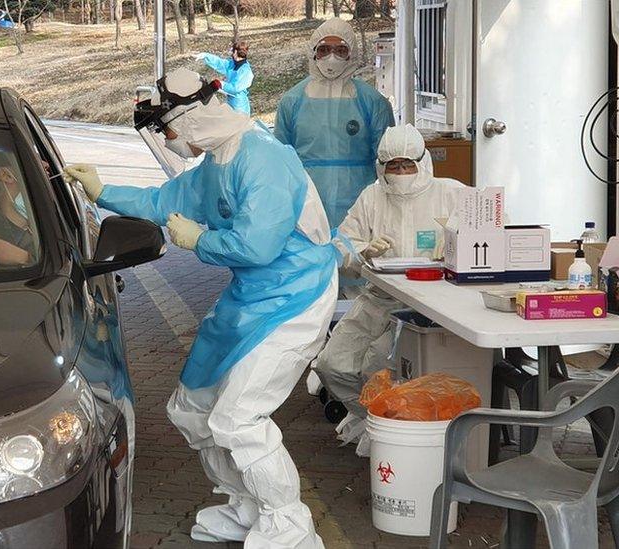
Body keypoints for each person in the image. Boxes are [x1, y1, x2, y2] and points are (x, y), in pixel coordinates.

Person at [66, 67, 339, 549]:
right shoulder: (218, 160)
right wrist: (102, 191)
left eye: (168, 129)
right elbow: (165, 198)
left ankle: (289, 524)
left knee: (239, 418)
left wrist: (201, 240)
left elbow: (258, 247)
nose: (169, 140)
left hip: (297, 295)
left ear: (192, 117)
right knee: (192, 408)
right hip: (250, 295)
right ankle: (245, 504)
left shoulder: (265, 159)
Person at [313, 124, 464, 455]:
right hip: (378, 298)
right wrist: (363, 250)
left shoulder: (451, 193)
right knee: (331, 364)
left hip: (430, 305)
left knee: (377, 367)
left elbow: (492, 230)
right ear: (381, 166)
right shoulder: (372, 196)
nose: (401, 172)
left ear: (422, 163)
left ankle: (393, 432)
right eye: (393, 166)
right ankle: (373, 419)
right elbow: (340, 243)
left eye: (407, 165)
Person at [274, 17, 395, 231]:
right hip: (307, 204)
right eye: (324, 49)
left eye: (340, 50)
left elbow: (388, 158)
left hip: (360, 204)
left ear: (352, 54)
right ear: (313, 52)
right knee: (312, 259)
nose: (331, 58)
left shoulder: (372, 102)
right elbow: (280, 160)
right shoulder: (292, 101)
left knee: (357, 257)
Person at [195, 41, 254, 115]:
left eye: (232, 51)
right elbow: (220, 63)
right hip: (230, 103)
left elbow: (235, 88)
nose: (231, 53)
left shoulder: (246, 71)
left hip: (240, 108)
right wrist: (205, 56)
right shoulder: (233, 64)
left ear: (236, 52)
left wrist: (221, 84)